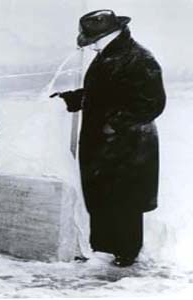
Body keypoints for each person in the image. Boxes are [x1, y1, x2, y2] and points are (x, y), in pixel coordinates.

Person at [51, 9, 166, 267]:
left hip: (129, 144)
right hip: (103, 143)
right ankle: (103, 247)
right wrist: (77, 98)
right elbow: (106, 91)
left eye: (95, 41)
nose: (92, 47)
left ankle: (126, 252)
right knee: (102, 194)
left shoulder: (139, 58)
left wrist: (114, 124)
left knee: (125, 198)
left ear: (111, 34)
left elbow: (152, 103)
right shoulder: (109, 54)